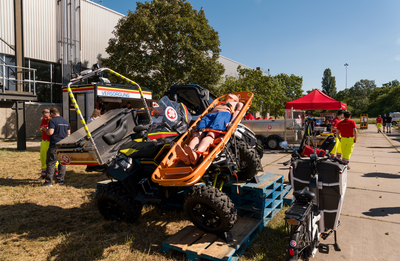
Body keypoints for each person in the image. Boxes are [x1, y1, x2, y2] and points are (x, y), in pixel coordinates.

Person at [174, 94, 243, 165]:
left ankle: (196, 154)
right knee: (197, 135)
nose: (230, 94)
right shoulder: (219, 102)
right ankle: (187, 156)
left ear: (236, 99)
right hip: (208, 116)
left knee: (210, 135)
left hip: (222, 115)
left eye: (233, 95)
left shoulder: (238, 103)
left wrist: (231, 122)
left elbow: (238, 112)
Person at [41, 108, 71, 187]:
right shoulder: (66, 122)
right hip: (63, 145)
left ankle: (48, 182)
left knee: (51, 163)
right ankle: (60, 180)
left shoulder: (52, 121)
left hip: (54, 145)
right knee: (62, 163)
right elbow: (68, 135)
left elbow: (50, 132)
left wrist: (45, 129)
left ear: (52, 114)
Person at [37, 109, 58, 181]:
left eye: (46, 117)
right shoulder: (43, 120)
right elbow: (41, 127)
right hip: (44, 141)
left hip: (51, 141)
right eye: (43, 116)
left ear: (50, 114)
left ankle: (56, 174)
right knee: (43, 157)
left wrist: (45, 129)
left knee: (53, 157)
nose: (44, 118)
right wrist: (42, 128)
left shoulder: (54, 120)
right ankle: (43, 174)